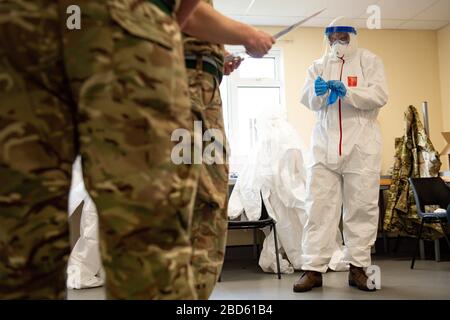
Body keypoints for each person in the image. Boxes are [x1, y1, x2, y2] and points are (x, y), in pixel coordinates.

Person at [0, 0, 202, 299]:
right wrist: (164, 20)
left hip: (16, 20)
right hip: (121, 19)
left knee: (17, 235)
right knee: (146, 239)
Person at [181, 1, 275, 299]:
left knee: (211, 198)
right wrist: (247, 34)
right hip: (177, 85)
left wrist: (217, 56)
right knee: (179, 196)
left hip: (207, 90)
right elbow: (185, 13)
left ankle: (195, 297)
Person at [294, 17, 389, 292]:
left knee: (362, 206)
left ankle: (358, 267)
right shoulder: (318, 65)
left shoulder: (369, 61)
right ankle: (313, 269)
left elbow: (380, 95)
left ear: (353, 37)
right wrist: (319, 93)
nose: (337, 42)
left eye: (343, 37)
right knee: (318, 207)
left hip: (361, 145)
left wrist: (349, 93)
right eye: (332, 37)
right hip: (324, 145)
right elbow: (306, 99)